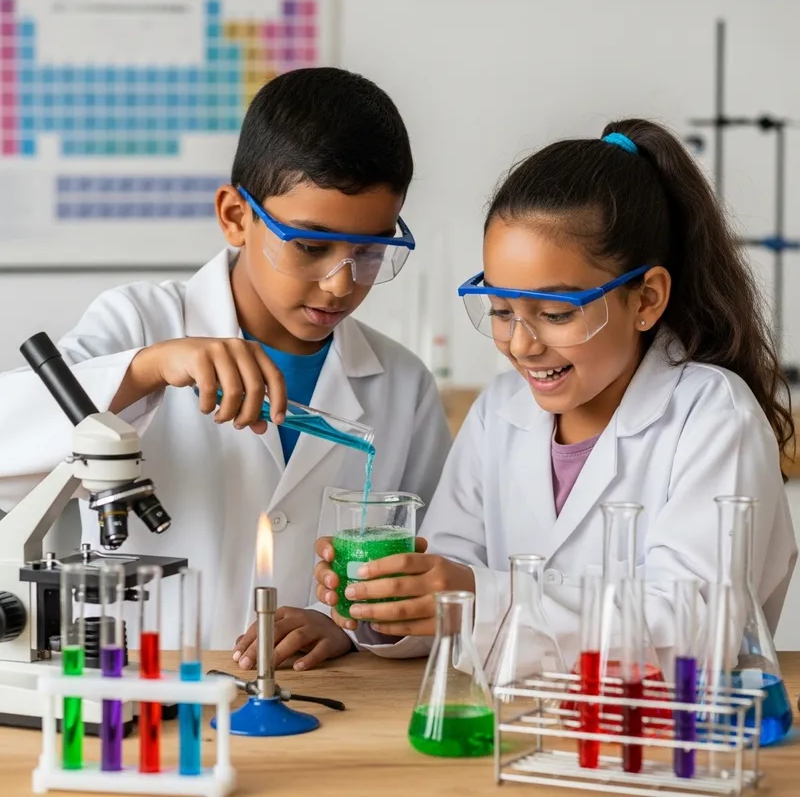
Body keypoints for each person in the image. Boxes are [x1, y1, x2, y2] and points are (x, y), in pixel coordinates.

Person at [0, 68, 450, 670]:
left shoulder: (402, 382)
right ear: (236, 215)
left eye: (369, 251)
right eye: (311, 246)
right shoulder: (139, 324)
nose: (340, 283)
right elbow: (9, 452)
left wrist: (348, 626)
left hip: (312, 697)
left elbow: (431, 567)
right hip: (140, 684)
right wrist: (151, 367)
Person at [312, 119, 797, 665]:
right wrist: (389, 606)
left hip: (659, 743)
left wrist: (478, 599)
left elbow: (695, 631)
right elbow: (451, 588)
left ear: (646, 299)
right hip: (516, 734)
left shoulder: (712, 417)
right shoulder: (500, 413)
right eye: (500, 310)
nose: (521, 343)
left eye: (557, 313)